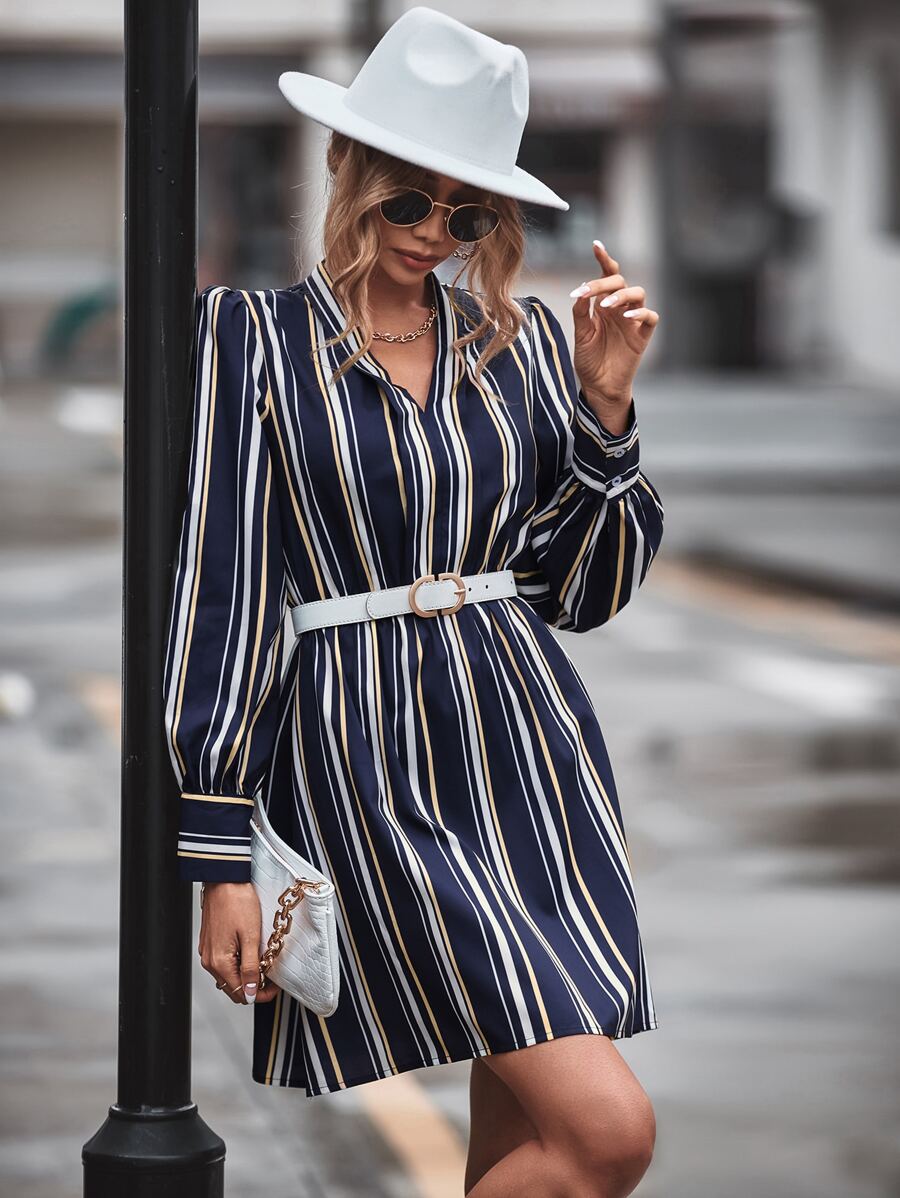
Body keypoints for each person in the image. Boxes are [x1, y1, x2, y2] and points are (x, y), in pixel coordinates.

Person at [162, 7, 664, 1195]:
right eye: (408, 202)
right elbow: (220, 593)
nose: (435, 236)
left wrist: (602, 414)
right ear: (349, 172)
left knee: (534, 1138)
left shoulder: (527, 345)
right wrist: (218, 852)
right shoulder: (252, 341)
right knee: (605, 1134)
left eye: (468, 214)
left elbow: (581, 589)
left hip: (526, 754)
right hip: (365, 758)